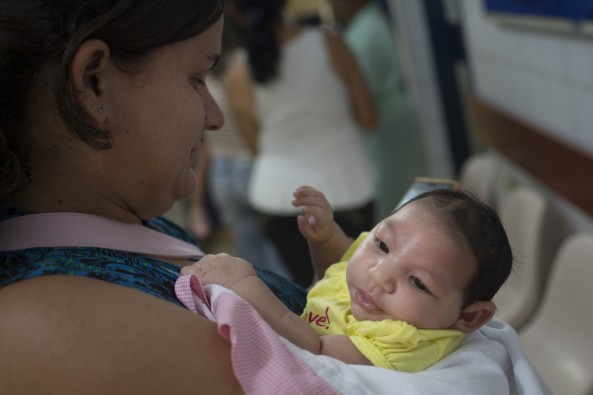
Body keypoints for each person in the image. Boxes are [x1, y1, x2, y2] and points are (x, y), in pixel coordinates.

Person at [0, 1, 307, 392]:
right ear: (95, 82)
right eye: (196, 77)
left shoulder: (129, 223)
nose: (215, 117)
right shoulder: (49, 330)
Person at [181, 185, 513, 372]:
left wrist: (243, 285)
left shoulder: (406, 339)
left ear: (470, 316)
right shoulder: (373, 270)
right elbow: (339, 262)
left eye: (418, 283)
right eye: (382, 244)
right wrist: (325, 239)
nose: (378, 274)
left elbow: (319, 347)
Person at [225, 0, 378, 287]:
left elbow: (255, 148)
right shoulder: (332, 44)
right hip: (345, 189)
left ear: (235, 12)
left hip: (277, 200)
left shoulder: (237, 74)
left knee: (315, 293)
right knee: (364, 289)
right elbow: (369, 118)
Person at [187, 14, 289, 277]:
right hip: (249, 164)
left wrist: (197, 206)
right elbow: (254, 123)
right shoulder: (241, 68)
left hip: (221, 173)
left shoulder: (199, 79)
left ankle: (260, 294)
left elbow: (207, 148)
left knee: (245, 246)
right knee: (274, 245)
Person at [328, 0, 428, 222]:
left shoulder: (364, 33)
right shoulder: (368, 23)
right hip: (390, 118)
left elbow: (360, 99)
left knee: (395, 202)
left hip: (383, 123)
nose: (329, 6)